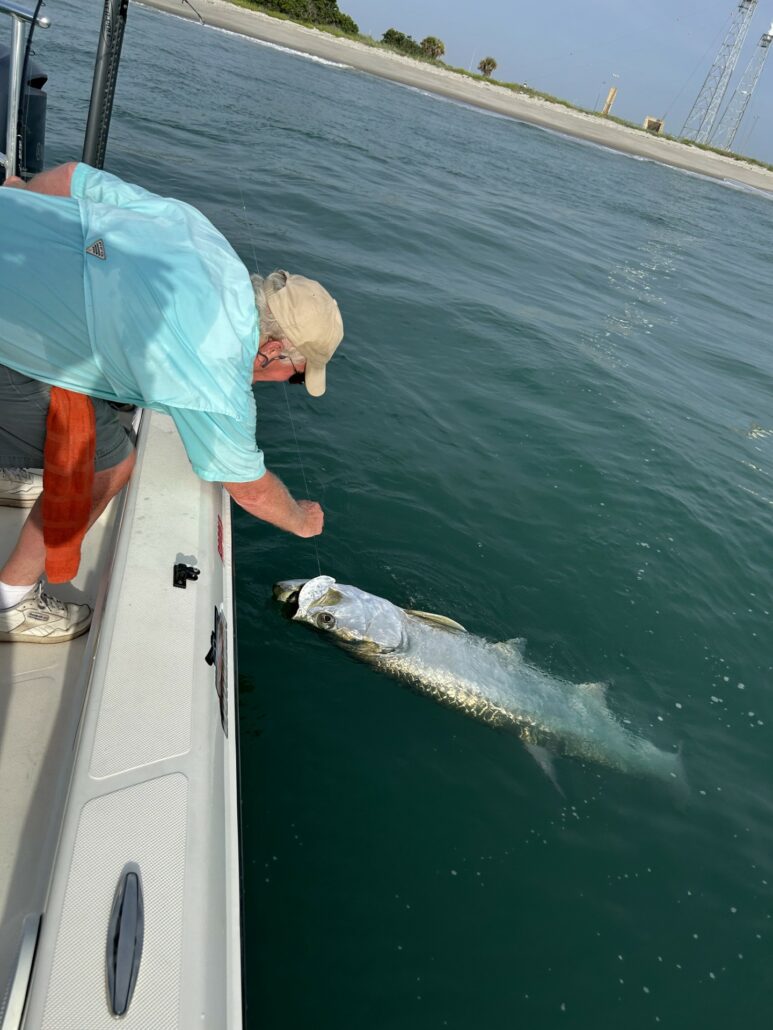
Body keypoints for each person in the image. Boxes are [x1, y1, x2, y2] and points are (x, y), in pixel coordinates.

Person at [0, 162, 343, 644]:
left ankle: (13, 465)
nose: (285, 381)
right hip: (9, 338)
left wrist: (22, 202)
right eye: (295, 377)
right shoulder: (217, 372)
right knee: (108, 465)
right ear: (274, 350)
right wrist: (303, 521)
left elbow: (72, 178)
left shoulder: (206, 240)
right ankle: (10, 603)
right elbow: (248, 487)